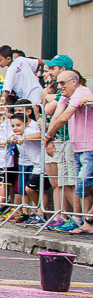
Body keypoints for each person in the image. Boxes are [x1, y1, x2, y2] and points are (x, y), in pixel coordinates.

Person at [44, 70, 93, 234]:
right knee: (83, 186)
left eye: (63, 83)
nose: (60, 87)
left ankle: (86, 218)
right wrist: (48, 136)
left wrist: (48, 136)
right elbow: (57, 115)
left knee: (84, 182)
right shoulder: (66, 96)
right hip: (79, 146)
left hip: (89, 146)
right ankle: (85, 221)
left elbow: (65, 117)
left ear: (74, 82)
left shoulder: (81, 92)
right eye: (58, 83)